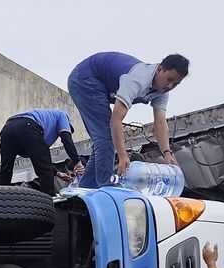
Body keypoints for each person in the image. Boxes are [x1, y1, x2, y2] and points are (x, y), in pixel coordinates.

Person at [68, 52, 188, 188]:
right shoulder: (138, 79)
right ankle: (105, 187)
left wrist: (167, 153)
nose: (170, 86)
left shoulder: (162, 91)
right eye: (169, 79)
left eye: (176, 83)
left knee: (103, 142)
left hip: (102, 86)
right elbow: (116, 120)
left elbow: (160, 122)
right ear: (160, 69)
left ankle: (86, 188)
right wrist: (122, 155)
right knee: (105, 138)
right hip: (85, 79)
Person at [0, 108, 82, 197]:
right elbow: (66, 139)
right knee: (45, 172)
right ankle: (48, 201)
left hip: (7, 129)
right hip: (28, 125)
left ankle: (0, 200)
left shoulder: (46, 118)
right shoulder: (62, 115)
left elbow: (40, 158)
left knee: (5, 171)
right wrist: (77, 162)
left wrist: (57, 173)